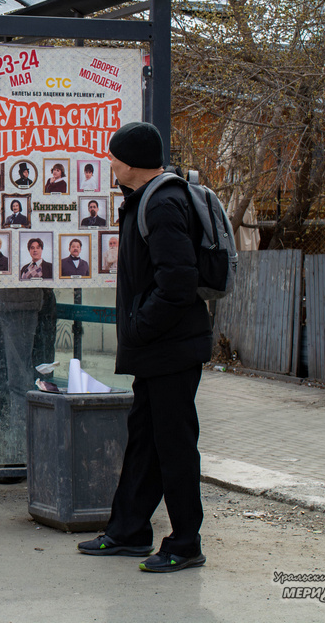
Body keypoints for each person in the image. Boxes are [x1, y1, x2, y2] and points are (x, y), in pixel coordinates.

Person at [77, 121, 213, 573]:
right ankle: (129, 531)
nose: (110, 162)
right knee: (145, 442)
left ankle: (185, 543)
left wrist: (139, 326)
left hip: (171, 348)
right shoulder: (146, 199)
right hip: (159, 348)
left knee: (174, 446)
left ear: (131, 162)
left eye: (114, 156)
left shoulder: (164, 203)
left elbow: (178, 283)